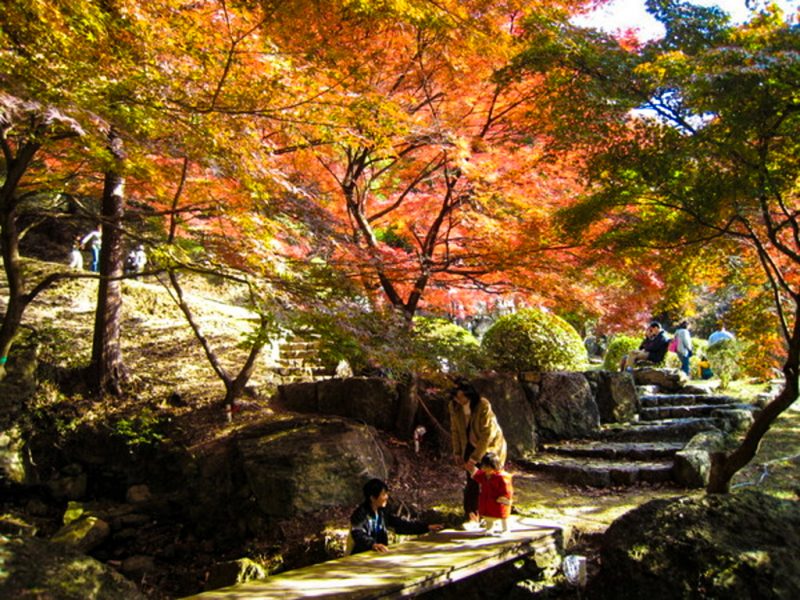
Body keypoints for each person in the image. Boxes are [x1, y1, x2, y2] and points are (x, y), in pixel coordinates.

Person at [449, 379, 507, 520]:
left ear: (469, 394)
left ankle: (497, 511)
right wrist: (457, 452)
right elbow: (455, 430)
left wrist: (475, 458)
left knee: (492, 480)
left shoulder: (482, 405)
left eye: (461, 396)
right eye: (456, 397)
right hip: (468, 444)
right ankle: (471, 513)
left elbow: (487, 434)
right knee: (472, 480)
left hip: (490, 447)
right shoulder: (454, 406)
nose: (459, 399)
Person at [349, 478, 442, 555]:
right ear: (372, 498)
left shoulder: (383, 512)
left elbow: (401, 525)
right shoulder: (360, 514)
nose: (386, 497)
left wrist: (426, 527)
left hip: (379, 555)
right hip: (361, 556)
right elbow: (358, 534)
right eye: (383, 494)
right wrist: (373, 545)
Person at [468, 452, 513, 535]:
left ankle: (505, 529)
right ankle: (489, 529)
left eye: (486, 466)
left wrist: (505, 497)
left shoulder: (502, 477)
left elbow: (507, 489)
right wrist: (472, 470)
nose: (484, 469)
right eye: (483, 466)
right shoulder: (484, 475)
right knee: (488, 516)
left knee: (503, 515)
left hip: (498, 500)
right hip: (487, 499)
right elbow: (478, 476)